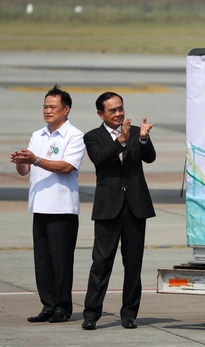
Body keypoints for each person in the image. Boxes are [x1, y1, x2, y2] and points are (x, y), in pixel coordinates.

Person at [9, 85, 85, 323]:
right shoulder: (37, 135)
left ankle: (63, 307)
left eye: (53, 107)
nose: (48, 111)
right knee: (42, 261)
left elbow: (66, 167)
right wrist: (21, 162)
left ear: (66, 109)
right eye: (45, 106)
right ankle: (48, 305)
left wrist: (37, 160)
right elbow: (25, 171)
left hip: (61, 208)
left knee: (61, 261)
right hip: (39, 206)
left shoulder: (75, 135)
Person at [81, 91, 156, 330]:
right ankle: (92, 313)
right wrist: (121, 141)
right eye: (112, 110)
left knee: (133, 264)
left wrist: (143, 139)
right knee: (101, 262)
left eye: (120, 108)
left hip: (135, 207)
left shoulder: (135, 132)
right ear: (100, 114)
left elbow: (150, 158)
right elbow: (100, 159)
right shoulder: (92, 137)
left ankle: (129, 313)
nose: (118, 113)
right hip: (108, 208)